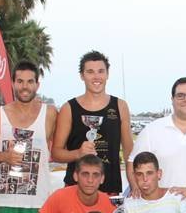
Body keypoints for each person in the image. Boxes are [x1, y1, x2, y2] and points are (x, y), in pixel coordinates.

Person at [0, 61, 57, 213]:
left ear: (37, 84)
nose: (25, 86)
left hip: (38, 202)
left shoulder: (49, 114)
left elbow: (59, 149)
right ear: (13, 83)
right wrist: (3, 156)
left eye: (30, 81)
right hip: (5, 201)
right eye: (20, 81)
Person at [52, 50, 134, 195]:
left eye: (101, 71)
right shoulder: (69, 108)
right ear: (82, 76)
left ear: (107, 74)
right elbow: (56, 153)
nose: (96, 77)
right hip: (75, 189)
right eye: (90, 72)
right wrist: (78, 153)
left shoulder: (120, 106)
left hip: (109, 188)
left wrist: (134, 184)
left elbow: (129, 153)